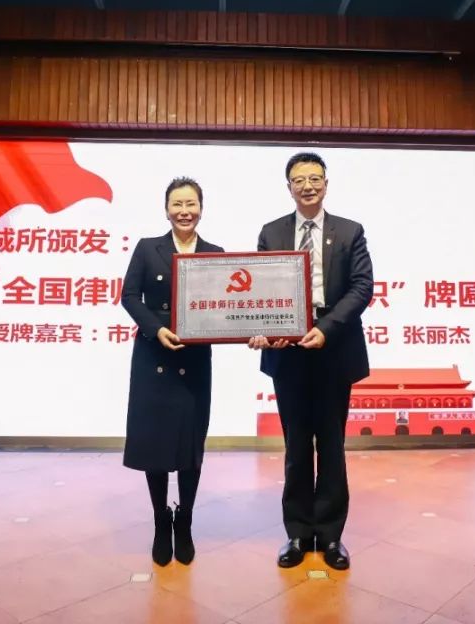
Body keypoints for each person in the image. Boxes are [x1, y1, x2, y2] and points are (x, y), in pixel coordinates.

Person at [249, 152, 373, 571]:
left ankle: (332, 536)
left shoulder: (350, 231)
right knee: (296, 445)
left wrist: (327, 328)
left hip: (333, 347)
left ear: (326, 183)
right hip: (288, 351)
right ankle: (299, 534)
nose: (307, 186)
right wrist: (265, 328)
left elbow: (362, 287)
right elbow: (261, 290)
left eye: (315, 178)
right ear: (288, 187)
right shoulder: (271, 232)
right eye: (299, 180)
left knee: (332, 445)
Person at [121, 177, 223, 566]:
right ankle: (161, 521)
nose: (184, 211)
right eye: (177, 204)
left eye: (191, 204)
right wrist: (156, 328)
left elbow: (227, 305)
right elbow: (129, 296)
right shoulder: (148, 248)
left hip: (194, 360)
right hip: (154, 356)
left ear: (201, 209)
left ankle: (186, 520)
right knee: (156, 444)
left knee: (190, 445)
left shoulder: (215, 254)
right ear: (166, 210)